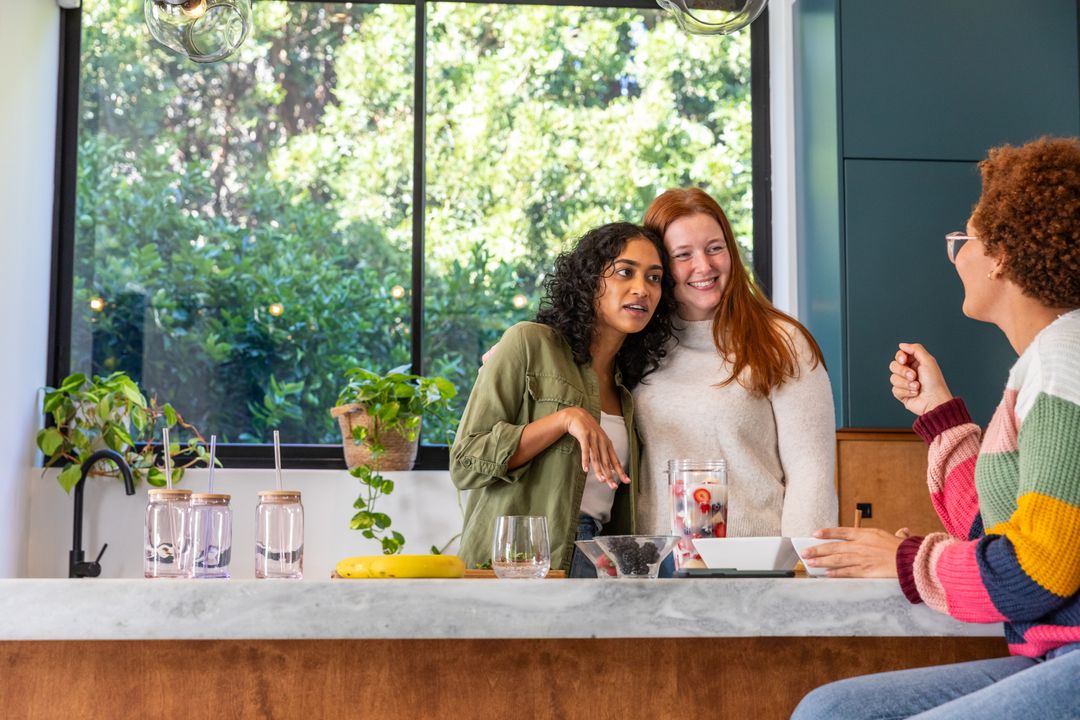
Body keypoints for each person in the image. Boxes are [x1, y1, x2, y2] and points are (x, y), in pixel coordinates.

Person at [792, 137, 1080, 719]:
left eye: (963, 241)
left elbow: (1040, 569)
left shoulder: (1064, 364)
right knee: (832, 711)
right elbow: (993, 532)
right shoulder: (1041, 367)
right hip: (1054, 657)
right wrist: (939, 413)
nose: (955, 257)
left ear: (999, 254)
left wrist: (904, 559)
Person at [450, 222, 677, 576]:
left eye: (654, 278)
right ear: (589, 281)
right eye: (624, 272)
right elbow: (465, 462)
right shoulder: (529, 343)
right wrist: (564, 419)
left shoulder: (629, 388)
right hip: (521, 562)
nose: (641, 289)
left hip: (599, 556)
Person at [634, 188, 837, 562]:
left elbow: (812, 475)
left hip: (755, 567)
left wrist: (800, 572)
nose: (704, 266)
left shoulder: (781, 341)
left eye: (714, 248)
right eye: (683, 255)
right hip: (656, 568)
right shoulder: (637, 347)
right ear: (660, 266)